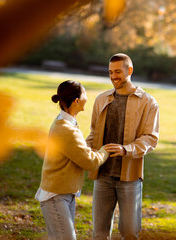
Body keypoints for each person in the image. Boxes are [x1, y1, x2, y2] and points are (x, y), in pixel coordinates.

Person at [86, 53, 159, 240]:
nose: (113, 76)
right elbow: (93, 134)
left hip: (130, 177)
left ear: (130, 70)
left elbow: (150, 138)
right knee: (99, 233)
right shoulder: (101, 99)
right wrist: (81, 151)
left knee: (130, 232)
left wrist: (126, 149)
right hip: (102, 175)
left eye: (118, 72)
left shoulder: (148, 102)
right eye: (110, 72)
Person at [35, 80, 109, 240]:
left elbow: (77, 151)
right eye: (85, 93)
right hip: (56, 196)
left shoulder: (64, 122)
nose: (87, 97)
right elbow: (89, 162)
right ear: (77, 100)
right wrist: (105, 150)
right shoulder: (66, 129)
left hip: (64, 193)